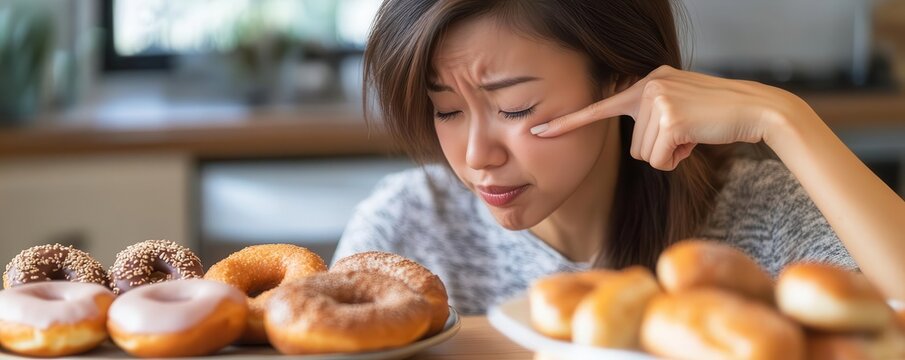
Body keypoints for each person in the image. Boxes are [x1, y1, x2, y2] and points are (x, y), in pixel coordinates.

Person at [333, 0, 905, 315]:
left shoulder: (761, 210)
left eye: (514, 108)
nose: (476, 156)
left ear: (617, 81)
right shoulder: (404, 226)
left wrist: (784, 118)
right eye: (447, 112)